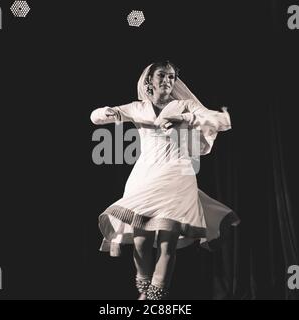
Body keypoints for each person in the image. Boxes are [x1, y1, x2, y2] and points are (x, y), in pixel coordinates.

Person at [90, 61, 240, 300]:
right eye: (162, 75)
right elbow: (95, 117)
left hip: (178, 177)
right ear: (149, 80)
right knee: (140, 241)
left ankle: (155, 297)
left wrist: (186, 118)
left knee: (167, 241)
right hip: (145, 175)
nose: (168, 81)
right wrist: (107, 112)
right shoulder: (138, 108)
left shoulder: (185, 105)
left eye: (171, 77)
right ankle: (144, 286)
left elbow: (224, 121)